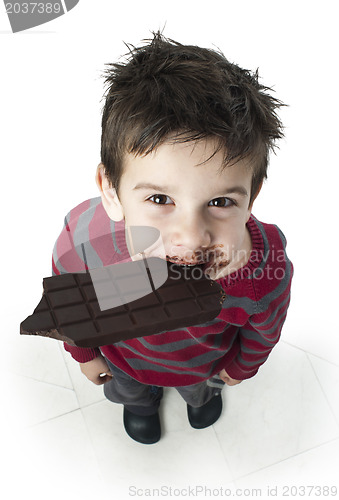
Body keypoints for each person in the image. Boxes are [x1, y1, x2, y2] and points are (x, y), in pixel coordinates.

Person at [52, 32, 293, 444]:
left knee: (201, 391)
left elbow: (264, 329)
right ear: (111, 191)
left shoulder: (262, 273)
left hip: (202, 367)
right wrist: (85, 353)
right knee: (130, 391)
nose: (190, 235)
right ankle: (141, 405)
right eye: (160, 199)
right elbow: (70, 305)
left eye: (219, 201)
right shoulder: (85, 247)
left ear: (251, 196)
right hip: (124, 362)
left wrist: (238, 369)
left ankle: (198, 400)